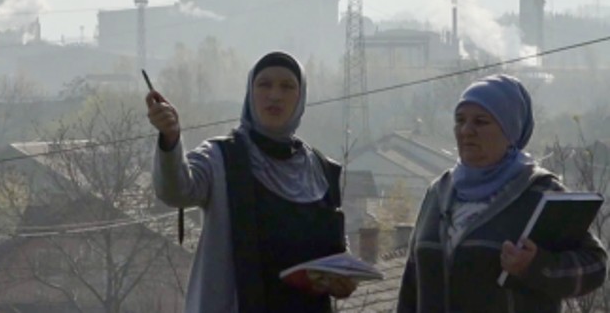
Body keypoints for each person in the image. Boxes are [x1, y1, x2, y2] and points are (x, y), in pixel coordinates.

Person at [146, 51, 356, 313]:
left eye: (287, 86)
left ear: (301, 97)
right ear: (250, 92)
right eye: (264, 84)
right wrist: (170, 138)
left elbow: (335, 252)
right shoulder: (221, 157)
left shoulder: (320, 170)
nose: (275, 95)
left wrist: (343, 279)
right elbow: (176, 191)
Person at [397, 74, 607, 312]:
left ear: (510, 130)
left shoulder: (540, 192)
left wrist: (536, 266)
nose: (466, 130)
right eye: (460, 120)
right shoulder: (438, 192)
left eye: (481, 121)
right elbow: (411, 285)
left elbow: (595, 266)